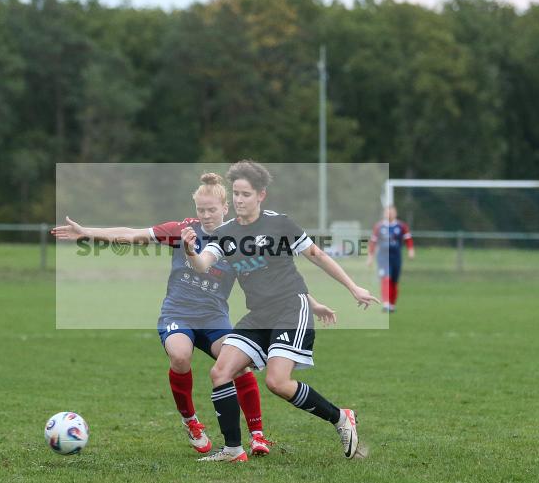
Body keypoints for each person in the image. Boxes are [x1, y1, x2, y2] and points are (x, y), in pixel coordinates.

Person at [52, 173, 336, 456]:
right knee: (180, 355)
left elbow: (270, 277)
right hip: (178, 313)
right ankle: (192, 423)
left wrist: (312, 303)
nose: (206, 215)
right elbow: (132, 234)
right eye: (201, 210)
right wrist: (87, 232)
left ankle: (257, 435)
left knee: (238, 366)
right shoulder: (182, 230)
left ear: (225, 208)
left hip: (214, 318)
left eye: (212, 210)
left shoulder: (236, 236)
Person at [182, 161, 378, 462]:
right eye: (235, 193)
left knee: (277, 382)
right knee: (220, 371)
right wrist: (190, 251)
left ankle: (341, 417)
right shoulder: (225, 233)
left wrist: (353, 288)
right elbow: (203, 264)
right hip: (258, 315)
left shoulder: (280, 224)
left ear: (261, 195)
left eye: (245, 194)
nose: (238, 199)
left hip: (290, 307)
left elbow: (317, 255)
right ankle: (233, 450)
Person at [366, 205, 414, 312]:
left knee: (394, 281)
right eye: (387, 212)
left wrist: (411, 250)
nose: (389, 214)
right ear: (384, 213)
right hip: (383, 257)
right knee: (386, 278)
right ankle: (386, 303)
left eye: (391, 212)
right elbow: (373, 242)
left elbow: (408, 239)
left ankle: (392, 304)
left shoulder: (401, 226)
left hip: (396, 257)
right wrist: (370, 256)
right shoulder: (379, 226)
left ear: (395, 213)